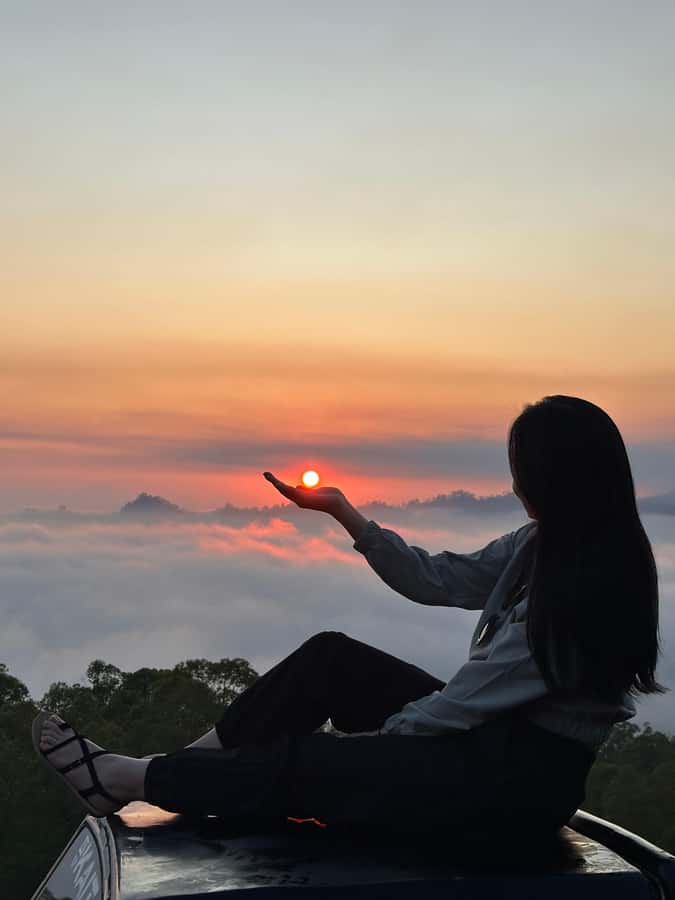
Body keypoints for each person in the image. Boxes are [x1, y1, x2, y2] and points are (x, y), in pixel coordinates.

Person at [33, 395, 667, 842]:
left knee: (311, 765)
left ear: (557, 480)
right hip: (487, 740)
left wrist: (362, 755)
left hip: (516, 786)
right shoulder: (545, 542)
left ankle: (122, 776)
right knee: (331, 660)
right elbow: (436, 577)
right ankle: (174, 768)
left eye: (522, 474)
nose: (514, 486)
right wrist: (344, 513)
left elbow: (453, 710)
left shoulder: (586, 590)